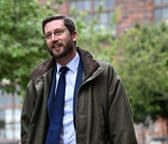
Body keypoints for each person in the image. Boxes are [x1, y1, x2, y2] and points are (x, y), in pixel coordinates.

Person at [21, 15, 137, 144]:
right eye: (48, 35)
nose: (53, 39)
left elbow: (122, 129)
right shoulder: (37, 81)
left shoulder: (103, 74)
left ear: (74, 35)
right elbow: (27, 131)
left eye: (58, 32)